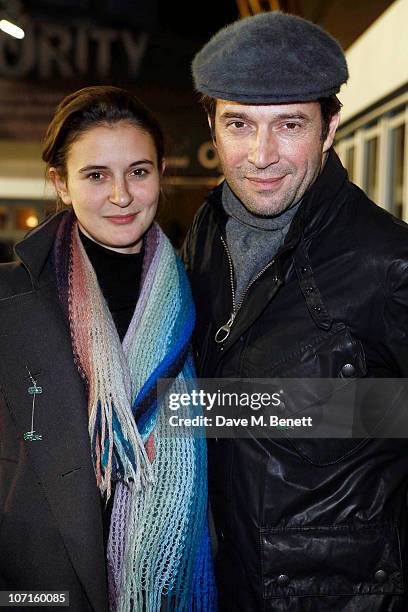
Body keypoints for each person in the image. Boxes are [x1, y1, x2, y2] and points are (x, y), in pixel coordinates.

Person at [182, 12, 408, 612]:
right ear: (211, 125)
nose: (261, 155)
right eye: (238, 124)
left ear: (330, 128)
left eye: (289, 124)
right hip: (215, 579)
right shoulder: (205, 234)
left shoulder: (388, 263)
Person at [0, 86, 216, 611]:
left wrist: (374, 412)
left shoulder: (205, 298)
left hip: (175, 582)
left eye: (139, 172)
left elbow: (247, 416)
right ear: (61, 182)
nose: (121, 194)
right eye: (96, 175)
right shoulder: (9, 302)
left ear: (161, 173)